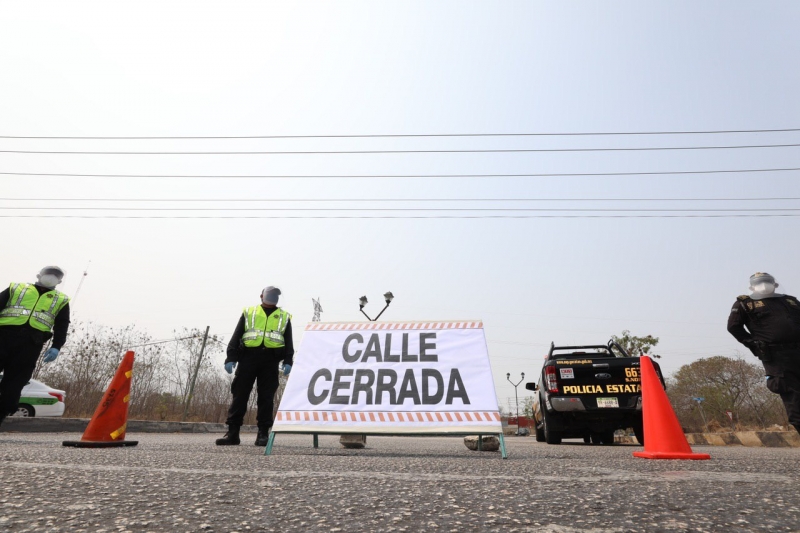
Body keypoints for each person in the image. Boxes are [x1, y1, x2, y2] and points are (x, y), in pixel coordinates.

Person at [216, 286, 293, 446]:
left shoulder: (283, 317)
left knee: (266, 398)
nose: (273, 298)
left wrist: (288, 360)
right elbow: (237, 335)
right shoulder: (249, 312)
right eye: (271, 295)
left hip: (270, 361)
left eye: (275, 296)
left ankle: (263, 434)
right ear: (262, 296)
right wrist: (231, 356)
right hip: (248, 358)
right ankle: (233, 433)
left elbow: (288, 341)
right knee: (240, 395)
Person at [727, 272, 800, 433]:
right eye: (760, 282)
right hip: (777, 357)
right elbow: (734, 327)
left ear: (775, 284)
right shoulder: (745, 304)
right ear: (751, 287)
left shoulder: (790, 301)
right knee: (794, 399)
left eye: (767, 282)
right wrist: (754, 345)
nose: (764, 285)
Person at [0, 266, 70, 428]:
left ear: (59, 281)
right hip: (3, 336)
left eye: (56, 276)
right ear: (39, 275)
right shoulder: (17, 289)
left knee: (14, 385)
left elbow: (62, 325)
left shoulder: (60, 300)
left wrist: (57, 346)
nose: (51, 277)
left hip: (31, 343)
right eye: (49, 274)